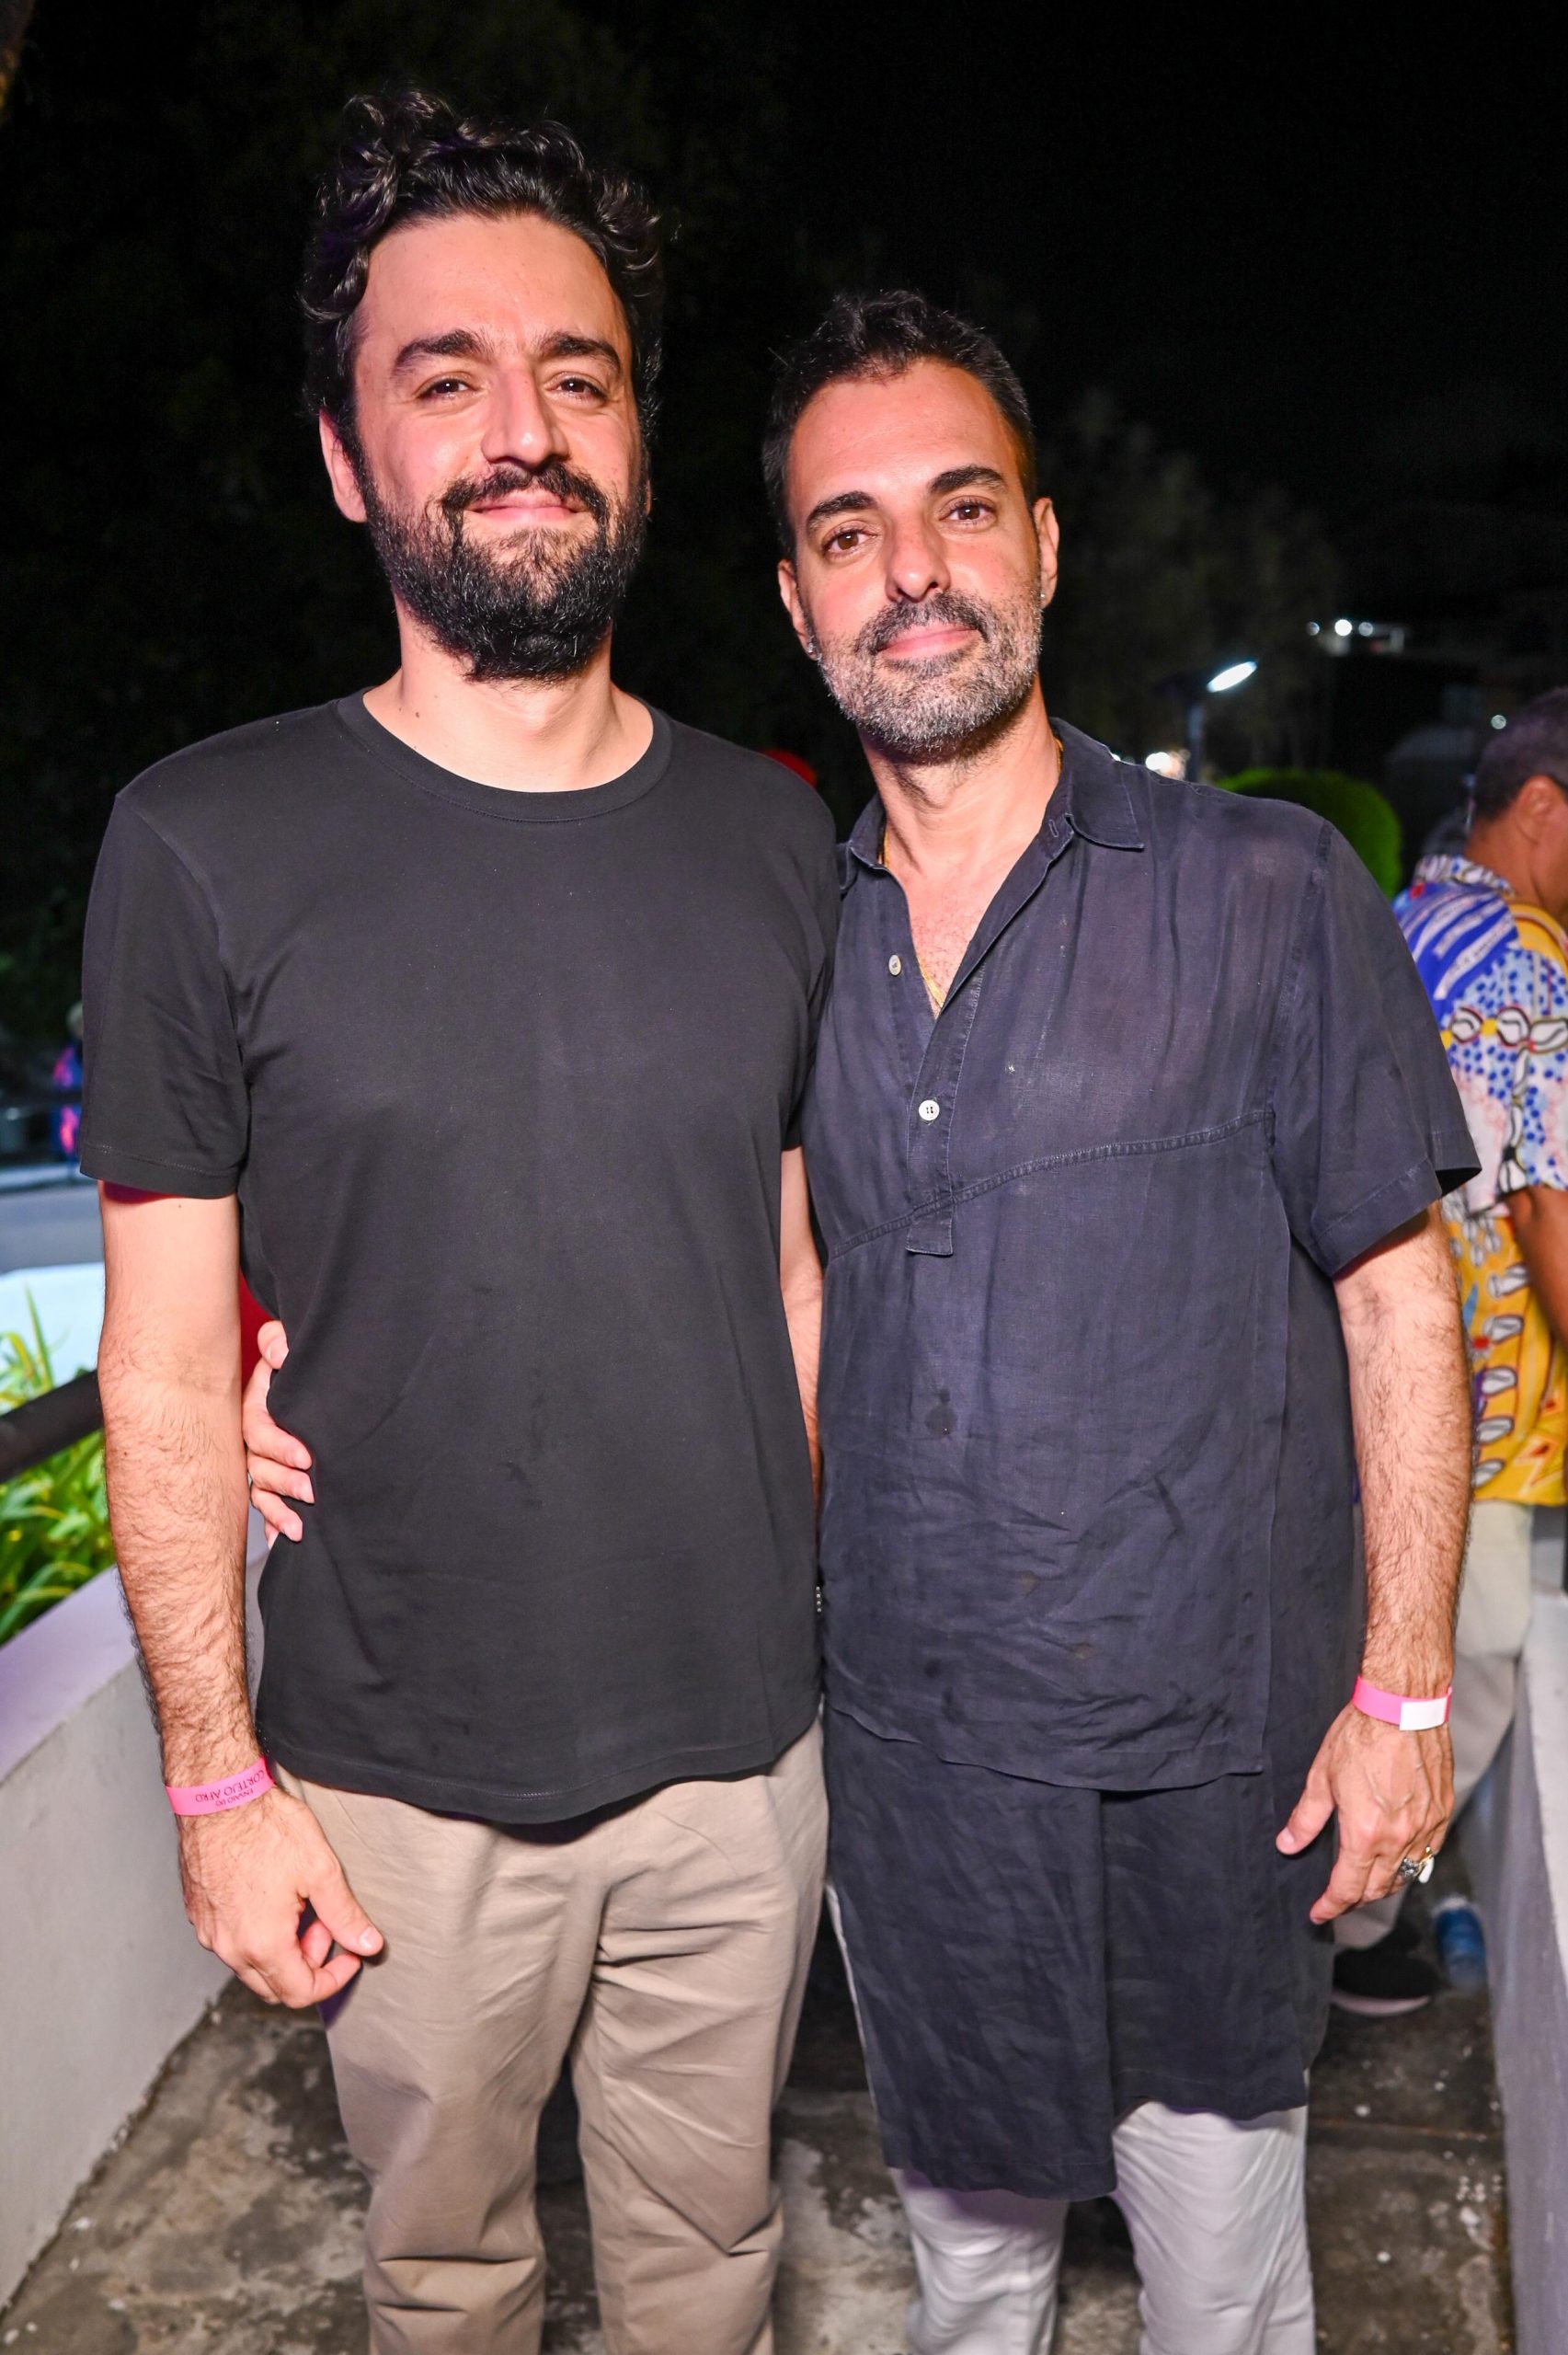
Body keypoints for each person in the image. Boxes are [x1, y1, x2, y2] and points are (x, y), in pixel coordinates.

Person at [250, 289, 1481, 2351]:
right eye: (848, 531)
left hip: (1206, 1776)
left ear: (1044, 544)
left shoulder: (1265, 892)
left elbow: (1398, 1296)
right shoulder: (781, 929)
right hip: (910, 1779)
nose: (912, 570)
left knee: (1223, 2290)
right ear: (796, 598)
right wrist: (305, 1364)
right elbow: (645, 1228)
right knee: (966, 2286)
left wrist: (1407, 1693)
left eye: (960, 508)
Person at [79, 92, 838, 2355]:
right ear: (348, 454)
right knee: (442, 2278)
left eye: (576, 376)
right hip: (393, 1778)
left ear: (635, 437)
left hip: (742, 1763)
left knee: (714, 2266)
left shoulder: (775, 841)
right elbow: (160, 1355)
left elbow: (795, 1275)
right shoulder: (200, 845)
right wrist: (218, 1783)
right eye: (447, 377)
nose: (523, 431)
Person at [1340, 689, 1568, 2000]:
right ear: (1539, 805)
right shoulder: (1530, 955)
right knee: (1473, 1660)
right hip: (1483, 1394)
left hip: (1375, 1370)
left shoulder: (1408, 917)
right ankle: (1347, 1931)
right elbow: (1546, 1205)